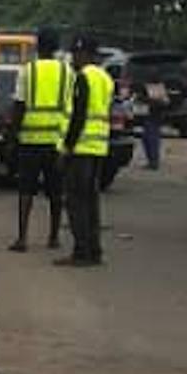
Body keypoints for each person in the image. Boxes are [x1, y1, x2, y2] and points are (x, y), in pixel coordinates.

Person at [55, 35, 115, 267]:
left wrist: (66, 149)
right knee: (91, 201)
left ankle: (81, 252)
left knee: (76, 201)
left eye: (76, 54)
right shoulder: (105, 78)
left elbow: (78, 117)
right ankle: (94, 250)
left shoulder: (84, 78)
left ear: (87, 55)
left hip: (80, 149)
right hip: (98, 147)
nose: (73, 59)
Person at [8, 29, 70, 252]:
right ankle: (53, 237)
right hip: (56, 141)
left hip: (30, 140)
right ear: (55, 48)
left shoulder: (29, 71)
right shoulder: (66, 72)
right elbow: (70, 106)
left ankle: (22, 238)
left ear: (37, 46)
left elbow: (19, 105)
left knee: (26, 190)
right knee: (56, 192)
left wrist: (13, 136)